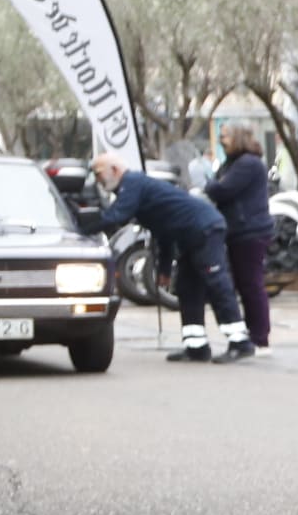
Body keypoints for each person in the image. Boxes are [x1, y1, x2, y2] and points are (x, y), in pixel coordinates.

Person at [90, 149, 253, 363]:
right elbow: (162, 232)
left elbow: (117, 215)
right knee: (187, 288)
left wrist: (83, 228)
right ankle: (196, 346)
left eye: (99, 174)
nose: (98, 181)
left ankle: (240, 342)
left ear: (114, 169)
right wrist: (164, 270)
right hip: (189, 236)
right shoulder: (132, 187)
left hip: (204, 230)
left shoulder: (132, 183)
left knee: (217, 284)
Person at [204, 127, 274, 355]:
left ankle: (259, 338)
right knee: (245, 285)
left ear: (238, 138)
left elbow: (223, 189)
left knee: (251, 285)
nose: (222, 141)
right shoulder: (233, 163)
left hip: (249, 231)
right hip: (238, 230)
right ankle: (251, 335)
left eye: (225, 136)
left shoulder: (247, 163)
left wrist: (208, 185)